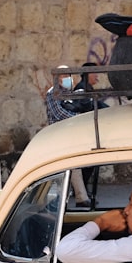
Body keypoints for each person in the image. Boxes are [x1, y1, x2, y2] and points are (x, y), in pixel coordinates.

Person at [45, 65, 92, 206]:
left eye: (68, 75)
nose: (67, 78)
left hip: (68, 134)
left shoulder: (68, 92)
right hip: (58, 134)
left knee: (73, 167)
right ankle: (73, 199)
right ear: (57, 78)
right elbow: (59, 113)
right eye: (63, 76)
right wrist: (79, 117)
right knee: (62, 169)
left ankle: (79, 199)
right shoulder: (53, 93)